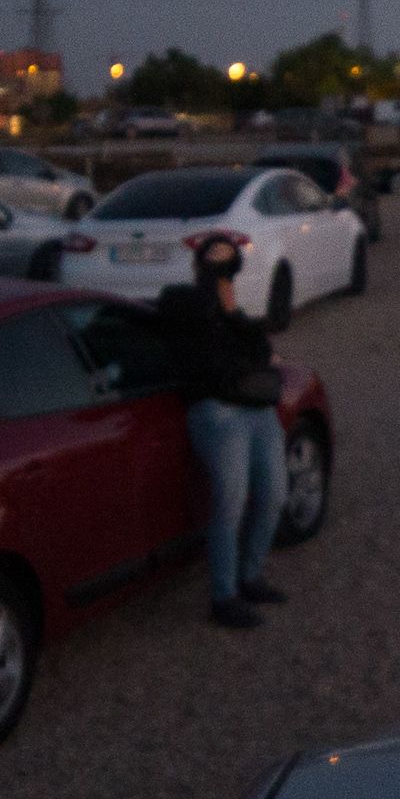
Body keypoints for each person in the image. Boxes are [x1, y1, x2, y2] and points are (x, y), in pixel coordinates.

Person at [155, 234, 290, 630]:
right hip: (217, 412)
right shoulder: (180, 299)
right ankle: (224, 595)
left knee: (274, 495)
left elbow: (262, 352)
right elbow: (192, 319)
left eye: (228, 260)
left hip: (256, 411)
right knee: (229, 502)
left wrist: (234, 315)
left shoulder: (234, 314)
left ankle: (251, 575)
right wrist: (216, 296)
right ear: (199, 265)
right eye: (214, 256)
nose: (222, 266)